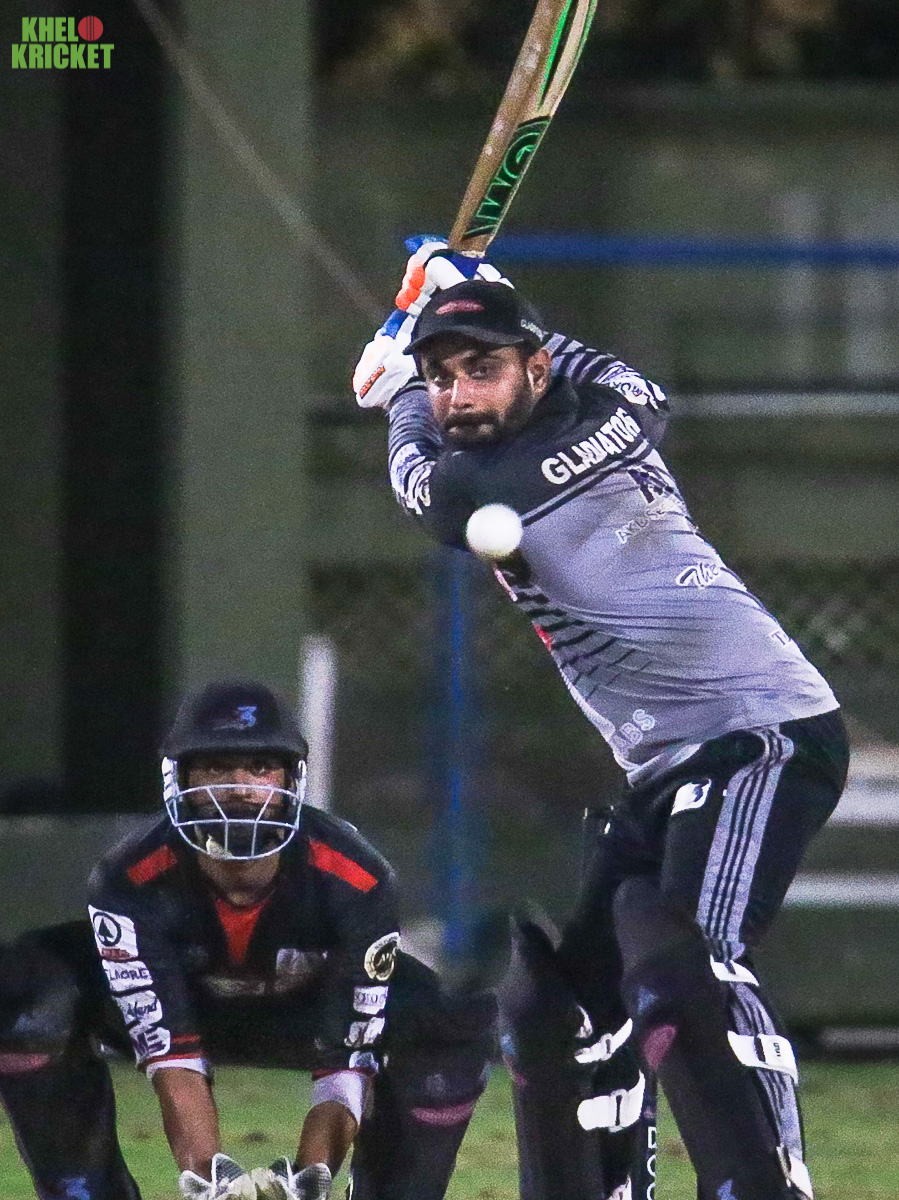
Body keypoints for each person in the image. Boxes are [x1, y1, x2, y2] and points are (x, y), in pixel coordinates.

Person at [352, 238, 850, 1200]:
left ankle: (769, 1184)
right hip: (667, 765)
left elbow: (433, 497)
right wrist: (475, 292)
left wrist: (398, 393)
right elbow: (625, 384)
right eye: (444, 377)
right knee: (563, 1007)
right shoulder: (614, 402)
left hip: (759, 736)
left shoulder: (506, 472)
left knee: (692, 962)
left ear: (535, 371)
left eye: (483, 369)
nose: (460, 394)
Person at [0, 680, 495, 1200]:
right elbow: (168, 1049)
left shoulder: (357, 878)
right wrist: (210, 1179)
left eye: (260, 768)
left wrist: (310, 1179)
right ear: (180, 777)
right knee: (29, 994)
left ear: (291, 778)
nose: (239, 787)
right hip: (189, 1014)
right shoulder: (129, 879)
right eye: (216, 768)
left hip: (306, 1020)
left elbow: (346, 1059)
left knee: (448, 1023)